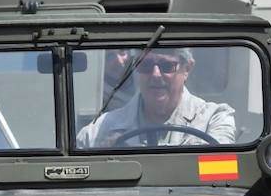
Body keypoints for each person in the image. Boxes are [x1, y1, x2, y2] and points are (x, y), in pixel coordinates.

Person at [76, 48, 235, 148]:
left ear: (187, 68)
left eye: (167, 66)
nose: (156, 75)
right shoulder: (100, 130)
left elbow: (222, 173)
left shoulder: (213, 119)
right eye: (146, 66)